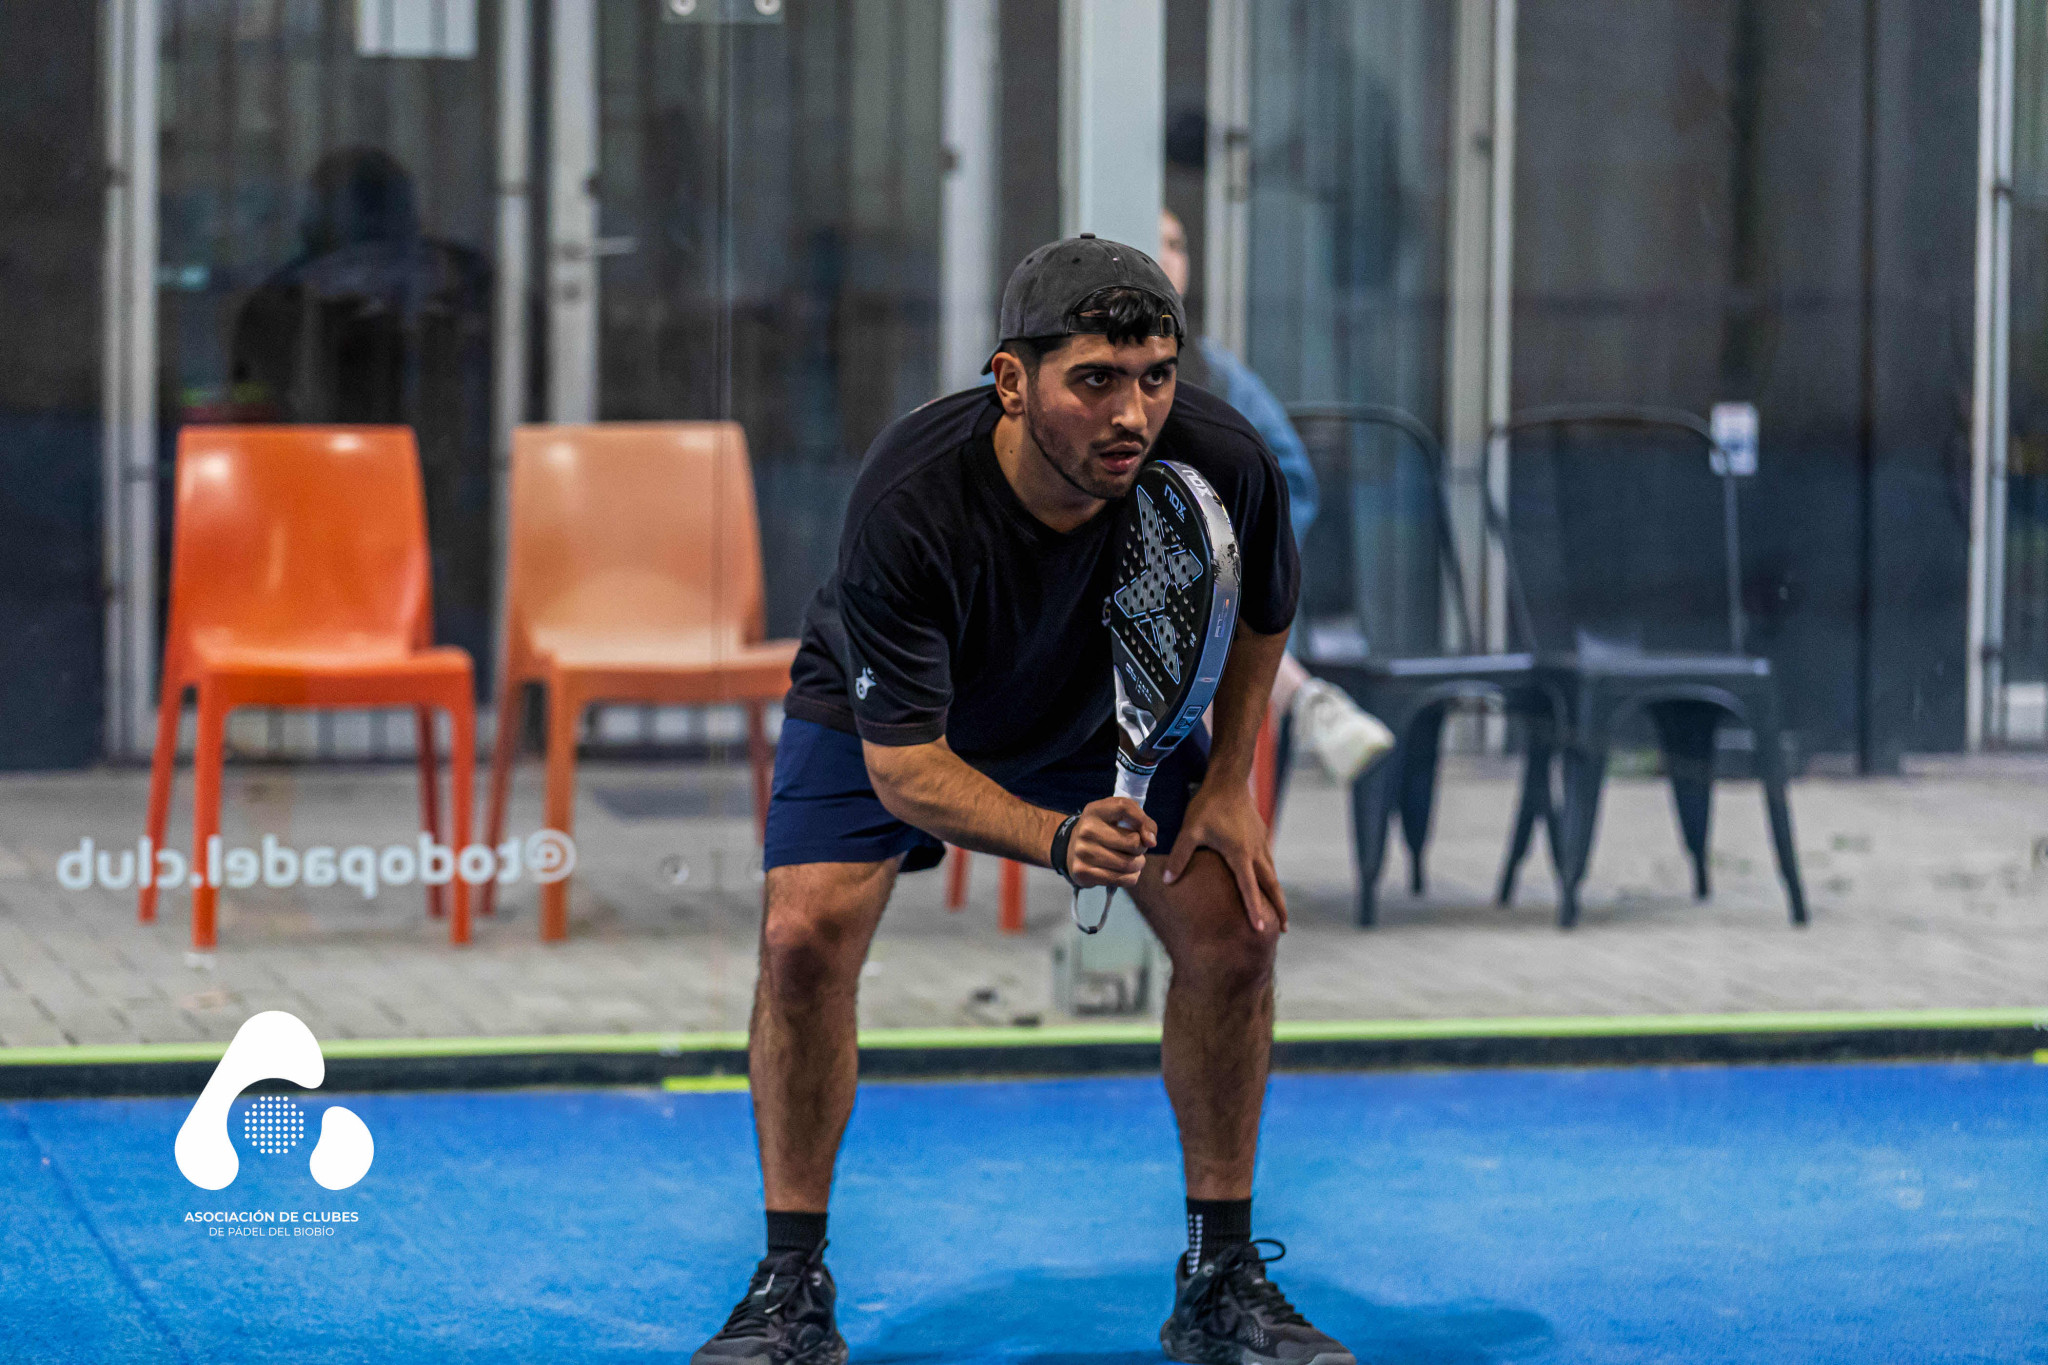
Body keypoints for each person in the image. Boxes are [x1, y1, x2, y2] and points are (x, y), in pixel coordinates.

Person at [692, 236, 1357, 1365]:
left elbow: (1261, 609)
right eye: (1094, 380)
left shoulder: (1220, 459)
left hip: (1100, 709)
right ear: (1011, 380)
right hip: (900, 716)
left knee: (1236, 935)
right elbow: (906, 772)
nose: (1131, 413)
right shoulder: (909, 496)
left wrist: (1230, 782)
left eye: (1154, 376)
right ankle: (789, 1288)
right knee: (802, 937)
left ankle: (1218, 1279)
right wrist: (1056, 836)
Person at [1158, 208, 1392, 789]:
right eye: (1153, 240)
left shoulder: (1214, 369)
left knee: (1211, 601)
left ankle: (1219, 799)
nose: (1168, 258)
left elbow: (1289, 475)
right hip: (1102, 583)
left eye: (1178, 243)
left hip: (1198, 580)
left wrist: (1250, 550)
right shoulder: (1060, 361)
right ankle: (1306, 700)